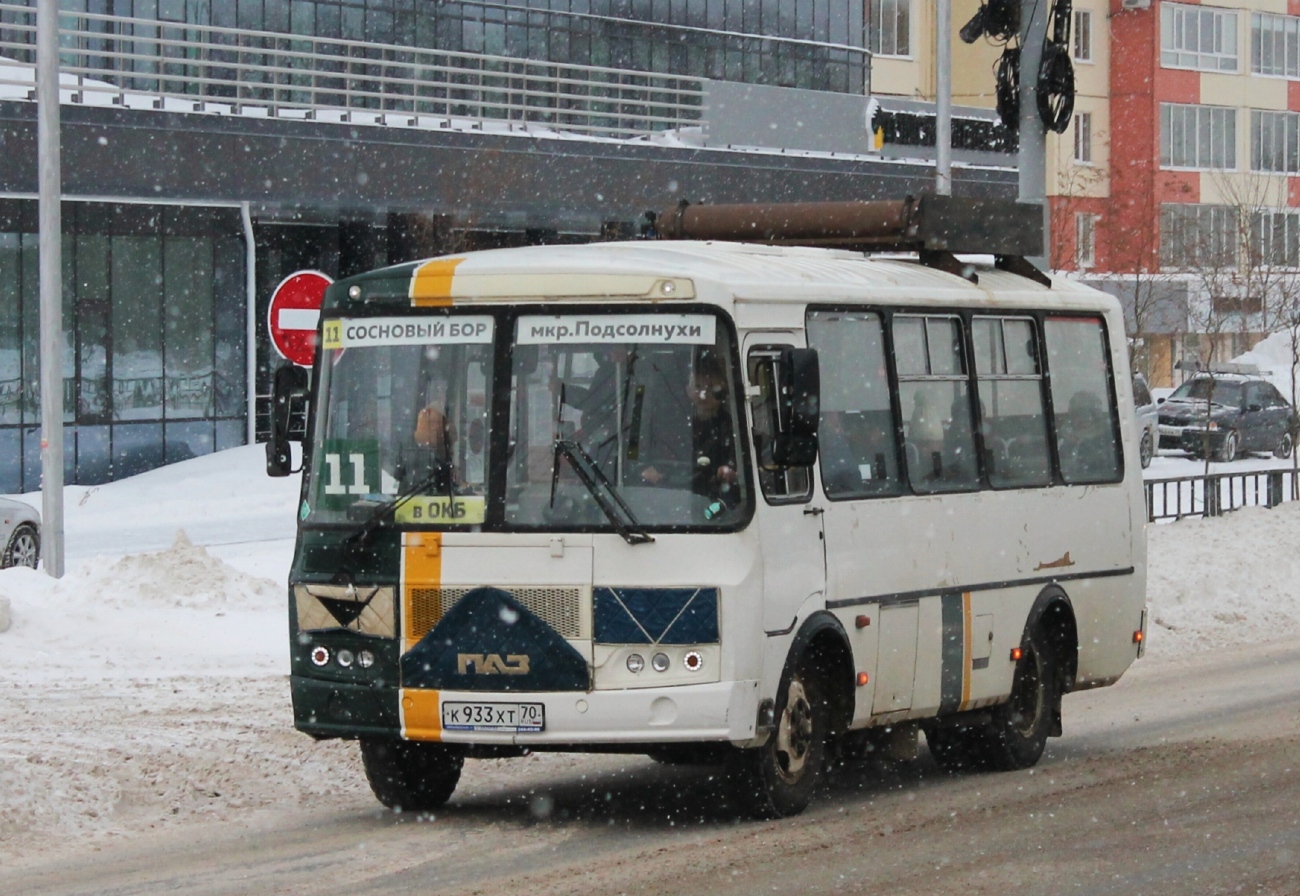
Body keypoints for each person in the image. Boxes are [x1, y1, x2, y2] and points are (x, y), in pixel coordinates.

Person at [641, 356, 738, 503]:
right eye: (698, 386)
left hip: (714, 500)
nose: (704, 394)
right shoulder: (670, 423)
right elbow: (649, 453)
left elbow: (737, 463)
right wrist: (647, 469)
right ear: (688, 390)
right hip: (666, 496)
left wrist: (728, 471)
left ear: (723, 390)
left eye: (712, 387)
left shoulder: (732, 426)